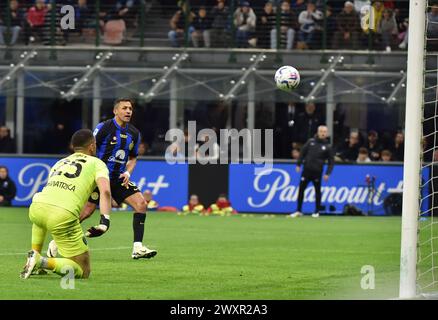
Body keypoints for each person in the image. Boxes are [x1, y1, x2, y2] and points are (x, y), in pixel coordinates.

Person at [20, 129, 112, 279]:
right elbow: (106, 192)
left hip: (37, 206)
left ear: (73, 146)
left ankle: (33, 254)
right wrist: (105, 221)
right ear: (92, 146)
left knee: (41, 216)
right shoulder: (97, 163)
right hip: (62, 215)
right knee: (83, 270)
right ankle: (40, 261)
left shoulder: (60, 162)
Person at [78, 98, 157, 260]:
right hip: (99, 177)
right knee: (86, 212)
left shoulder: (134, 133)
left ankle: (137, 247)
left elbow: (133, 158)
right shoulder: (104, 128)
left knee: (141, 204)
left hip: (118, 178)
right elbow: (89, 149)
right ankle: (57, 240)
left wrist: (128, 173)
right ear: (116, 111)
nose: (128, 111)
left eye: (130, 108)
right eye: (124, 108)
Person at [291, 125, 334, 218]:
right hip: (306, 170)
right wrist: (299, 164)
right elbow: (302, 152)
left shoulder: (327, 146)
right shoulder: (311, 142)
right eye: (321, 131)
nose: (322, 133)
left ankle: (317, 211)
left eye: (324, 132)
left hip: (317, 172)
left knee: (317, 191)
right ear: (318, 132)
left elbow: (331, 162)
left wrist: (327, 173)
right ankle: (298, 210)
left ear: (326, 134)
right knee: (301, 190)